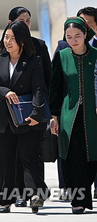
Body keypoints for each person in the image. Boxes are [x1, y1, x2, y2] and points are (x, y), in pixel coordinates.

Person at [0, 21, 49, 214]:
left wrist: (37, 114)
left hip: (27, 117)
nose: (8, 42)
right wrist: (5, 92)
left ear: (22, 41)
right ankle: (5, 201)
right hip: (3, 118)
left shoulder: (34, 61)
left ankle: (36, 195)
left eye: (13, 38)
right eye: (6, 37)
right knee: (5, 160)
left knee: (28, 157)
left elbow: (40, 89)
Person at [0, 6, 51, 207]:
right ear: (11, 23)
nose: (26, 24)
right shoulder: (1, 48)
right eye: (22, 20)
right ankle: (18, 195)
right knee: (11, 156)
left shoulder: (39, 46)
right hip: (7, 112)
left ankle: (35, 193)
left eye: (29, 20)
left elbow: (46, 80)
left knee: (30, 154)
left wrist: (42, 110)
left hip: (31, 110)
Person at [49, 17, 97, 214]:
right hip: (69, 114)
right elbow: (55, 88)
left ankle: (85, 194)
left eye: (78, 36)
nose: (74, 40)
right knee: (71, 157)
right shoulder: (62, 56)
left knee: (91, 156)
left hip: (93, 116)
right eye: (69, 37)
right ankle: (78, 201)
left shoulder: (95, 55)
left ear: (86, 34)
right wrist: (54, 116)